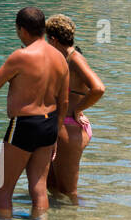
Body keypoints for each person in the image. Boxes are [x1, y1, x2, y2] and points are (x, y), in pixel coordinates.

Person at [0, 6, 68, 219]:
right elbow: (64, 100)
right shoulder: (60, 58)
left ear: (21, 30)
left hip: (24, 124)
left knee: (2, 189)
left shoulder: (21, 56)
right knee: (39, 188)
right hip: (49, 123)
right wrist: (57, 133)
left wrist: (13, 76)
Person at [44, 15, 105, 201]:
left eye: (47, 39)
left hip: (70, 128)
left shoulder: (75, 59)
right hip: (61, 128)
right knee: (52, 187)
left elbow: (99, 88)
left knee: (69, 192)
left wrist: (78, 109)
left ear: (53, 39)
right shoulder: (62, 58)